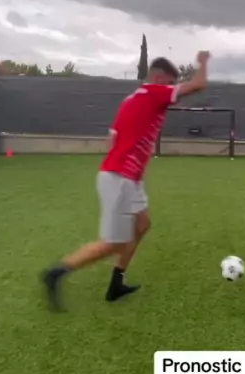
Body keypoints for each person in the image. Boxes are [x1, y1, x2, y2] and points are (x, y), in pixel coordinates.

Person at [42, 51, 210, 310]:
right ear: (158, 78)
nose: (171, 89)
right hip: (120, 178)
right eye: (169, 82)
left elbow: (111, 139)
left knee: (142, 224)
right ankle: (57, 272)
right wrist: (203, 62)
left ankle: (116, 283)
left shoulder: (130, 100)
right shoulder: (154, 93)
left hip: (127, 177)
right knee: (114, 243)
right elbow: (198, 84)